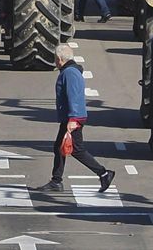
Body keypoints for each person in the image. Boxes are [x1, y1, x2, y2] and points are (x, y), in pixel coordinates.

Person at [38, 44, 114, 193]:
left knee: (77, 150)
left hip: (73, 118)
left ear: (59, 59)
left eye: (55, 59)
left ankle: (104, 174)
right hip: (71, 117)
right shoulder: (71, 71)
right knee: (59, 147)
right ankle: (56, 180)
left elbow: (74, 96)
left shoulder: (69, 73)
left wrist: (73, 119)